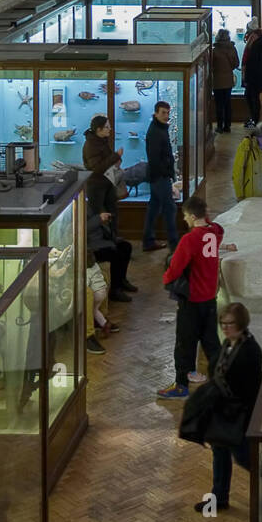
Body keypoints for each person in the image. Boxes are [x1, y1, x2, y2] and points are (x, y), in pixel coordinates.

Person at [157, 196, 236, 400]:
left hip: (192, 299)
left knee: (185, 342)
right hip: (210, 296)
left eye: (185, 216)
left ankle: (181, 384)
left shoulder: (189, 239)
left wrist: (165, 279)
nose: (184, 220)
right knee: (211, 342)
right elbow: (216, 226)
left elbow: (175, 268)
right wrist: (205, 218)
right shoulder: (215, 233)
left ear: (192, 216)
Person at [195, 302, 262, 514]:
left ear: (241, 323)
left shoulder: (250, 350)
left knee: (244, 456)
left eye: (230, 324)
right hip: (222, 413)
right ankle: (219, 496)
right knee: (220, 453)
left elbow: (247, 388)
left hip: (238, 415)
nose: (225, 328)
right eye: (222, 324)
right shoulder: (228, 344)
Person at [87, 174, 136, 307]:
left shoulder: (89, 205)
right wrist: (99, 219)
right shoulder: (79, 208)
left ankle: (121, 280)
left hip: (101, 239)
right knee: (116, 254)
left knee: (126, 246)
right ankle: (115, 289)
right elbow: (83, 228)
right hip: (91, 247)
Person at [143, 101, 180, 253]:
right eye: (163, 113)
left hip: (158, 176)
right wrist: (166, 173)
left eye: (167, 112)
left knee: (154, 208)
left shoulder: (160, 129)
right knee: (170, 209)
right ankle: (174, 245)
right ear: (156, 113)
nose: (166, 116)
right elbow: (155, 158)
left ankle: (148, 241)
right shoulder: (155, 132)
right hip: (159, 177)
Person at [233, 121, 262, 200]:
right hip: (254, 194)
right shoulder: (246, 145)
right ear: (261, 135)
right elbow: (238, 171)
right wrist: (239, 195)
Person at [211, 28, 240, 133]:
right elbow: (236, 63)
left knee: (219, 104)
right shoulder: (232, 49)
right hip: (228, 80)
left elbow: (211, 66)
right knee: (227, 103)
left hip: (218, 81)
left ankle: (219, 126)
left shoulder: (215, 51)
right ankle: (227, 126)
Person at [241, 18, 262, 128]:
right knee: (252, 97)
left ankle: (255, 120)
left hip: (254, 76)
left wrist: (247, 75)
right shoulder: (257, 40)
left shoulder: (255, 42)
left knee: (252, 97)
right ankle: (254, 119)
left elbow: (252, 61)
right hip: (255, 75)